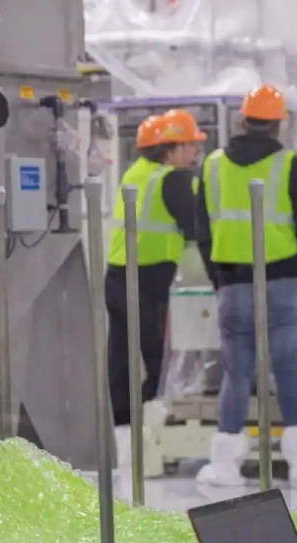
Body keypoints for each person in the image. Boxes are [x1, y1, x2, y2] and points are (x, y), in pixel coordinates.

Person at [192, 84, 297, 488]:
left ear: (242, 120)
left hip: (233, 284)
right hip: (285, 282)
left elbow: (202, 230)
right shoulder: (291, 166)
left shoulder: (212, 166)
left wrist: (219, 277)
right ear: (279, 124)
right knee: (290, 372)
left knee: (236, 373)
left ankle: (224, 466)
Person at [107, 111, 207, 471]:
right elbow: (197, 226)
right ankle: (151, 439)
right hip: (151, 280)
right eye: (191, 144)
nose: (196, 151)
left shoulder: (133, 174)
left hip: (117, 275)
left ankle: (124, 440)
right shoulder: (173, 180)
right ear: (171, 150)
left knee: (120, 360)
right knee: (160, 360)